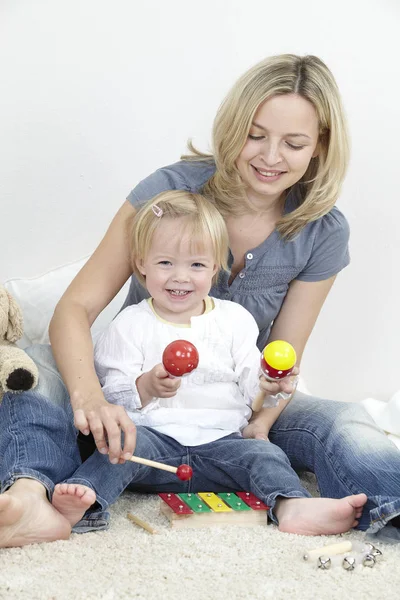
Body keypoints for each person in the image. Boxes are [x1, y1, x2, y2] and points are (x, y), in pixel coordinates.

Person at [0, 53, 399, 548]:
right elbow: (74, 309)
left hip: (231, 404)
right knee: (31, 368)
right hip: (135, 403)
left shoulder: (323, 230)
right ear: (232, 127)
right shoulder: (169, 193)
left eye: (294, 143)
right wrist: (92, 399)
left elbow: (283, 358)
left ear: (319, 147)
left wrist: (260, 424)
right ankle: (30, 498)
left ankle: (385, 505)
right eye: (256, 135)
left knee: (346, 421)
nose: (271, 156)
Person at [48, 189, 367, 535]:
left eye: (197, 264)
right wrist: (147, 386)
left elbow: (251, 386)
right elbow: (113, 393)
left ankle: (291, 504)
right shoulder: (130, 325)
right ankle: (85, 500)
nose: (181, 277)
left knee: (267, 456)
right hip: (155, 444)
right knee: (119, 449)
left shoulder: (234, 320)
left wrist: (269, 385)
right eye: (165, 262)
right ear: (141, 263)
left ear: (215, 267)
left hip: (223, 442)